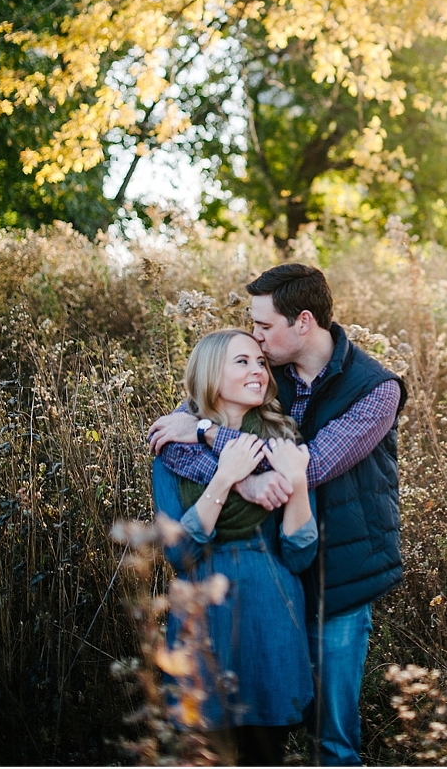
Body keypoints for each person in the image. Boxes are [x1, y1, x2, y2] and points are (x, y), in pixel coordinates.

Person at [149, 264, 405, 767]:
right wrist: (229, 466)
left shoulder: (377, 391)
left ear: (303, 322)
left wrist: (209, 438)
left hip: (339, 573)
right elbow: (175, 441)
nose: (257, 340)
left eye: (264, 327)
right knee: (253, 722)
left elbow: (310, 465)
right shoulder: (261, 372)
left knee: (330, 737)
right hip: (267, 577)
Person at [152, 327, 318, 767]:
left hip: (271, 613)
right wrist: (226, 478)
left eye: (260, 362)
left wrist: (297, 485)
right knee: (206, 751)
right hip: (203, 613)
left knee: (266, 752)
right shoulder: (172, 450)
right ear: (211, 373)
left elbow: (300, 554)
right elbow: (178, 553)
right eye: (241, 362)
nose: (258, 371)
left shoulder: (283, 442)